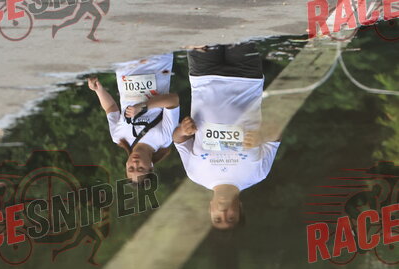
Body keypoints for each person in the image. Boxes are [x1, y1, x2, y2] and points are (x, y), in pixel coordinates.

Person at [172, 43, 280, 230]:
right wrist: (262, 137)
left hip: (203, 78)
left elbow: (178, 140)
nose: (223, 213)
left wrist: (182, 130)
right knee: (240, 28)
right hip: (246, 78)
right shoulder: (258, 174)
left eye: (217, 219)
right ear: (240, 209)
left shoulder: (195, 174)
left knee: (200, 29)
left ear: (210, 210)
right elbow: (277, 131)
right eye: (230, 218)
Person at [88, 53, 179, 184]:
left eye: (131, 168)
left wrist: (98, 90)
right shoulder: (164, 139)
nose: (135, 163)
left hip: (125, 64)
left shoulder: (118, 137)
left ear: (126, 165)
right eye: (140, 168)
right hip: (156, 61)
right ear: (151, 166)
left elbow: (111, 108)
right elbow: (173, 100)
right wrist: (143, 107)